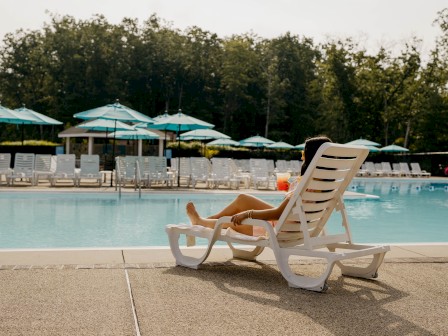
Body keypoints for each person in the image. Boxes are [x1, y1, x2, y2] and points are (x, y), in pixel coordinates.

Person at [186, 135, 333, 236]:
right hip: (295, 225)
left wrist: (247, 213)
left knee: (233, 222)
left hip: (280, 229)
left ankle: (201, 222)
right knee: (243, 198)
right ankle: (209, 219)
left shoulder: (305, 184)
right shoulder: (326, 183)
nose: (301, 156)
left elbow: (277, 214)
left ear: (311, 156)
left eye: (304, 152)